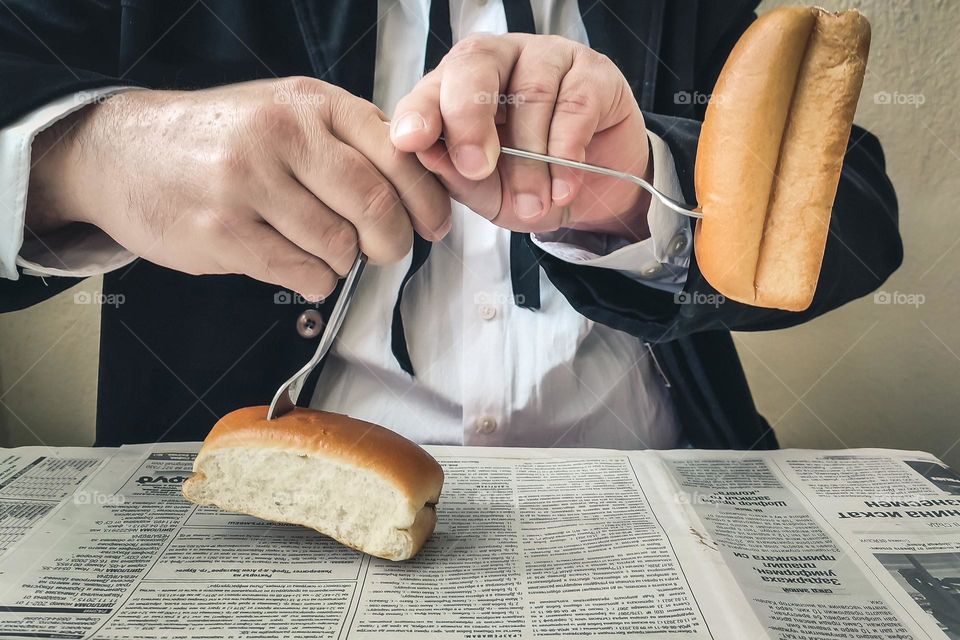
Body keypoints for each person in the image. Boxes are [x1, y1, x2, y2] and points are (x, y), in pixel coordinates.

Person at [0, 1, 901, 449]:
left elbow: (855, 215)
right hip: (254, 529)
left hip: (664, 487)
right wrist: (80, 156)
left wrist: (646, 195)